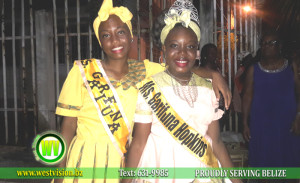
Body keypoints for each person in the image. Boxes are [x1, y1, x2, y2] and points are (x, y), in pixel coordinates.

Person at [53, 0, 232, 183]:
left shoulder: (146, 71)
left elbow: (179, 64)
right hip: (86, 161)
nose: (115, 40)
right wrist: (59, 173)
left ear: (131, 36)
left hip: (126, 161)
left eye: (121, 32)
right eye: (106, 35)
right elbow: (67, 129)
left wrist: (212, 74)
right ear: (100, 41)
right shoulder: (82, 71)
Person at [124, 1, 240, 183]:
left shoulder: (208, 88)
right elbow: (138, 143)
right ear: (163, 49)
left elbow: (216, 142)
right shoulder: (150, 87)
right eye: (174, 46)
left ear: (197, 52)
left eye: (190, 46)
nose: (182, 53)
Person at [242, 31, 300, 172]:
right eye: (264, 44)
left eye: (271, 43)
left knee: (290, 164)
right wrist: (244, 123)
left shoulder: (291, 67)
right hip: (262, 125)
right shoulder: (253, 70)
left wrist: (298, 116)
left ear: (279, 46)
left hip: (287, 123)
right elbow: (247, 97)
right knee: (263, 165)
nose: (266, 46)